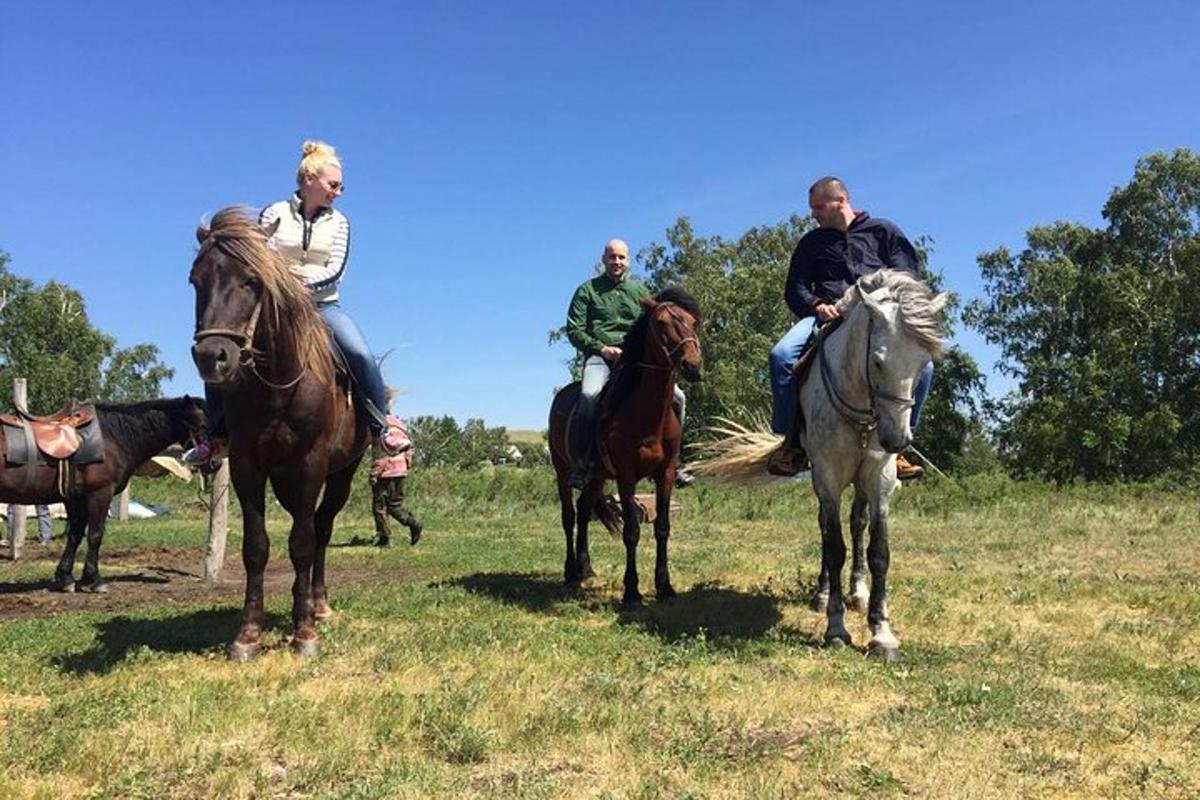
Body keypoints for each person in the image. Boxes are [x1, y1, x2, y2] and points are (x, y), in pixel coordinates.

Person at [186, 140, 403, 472]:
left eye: (341, 186)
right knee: (223, 345)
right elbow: (260, 259)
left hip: (322, 307)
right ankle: (216, 437)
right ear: (309, 179)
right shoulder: (274, 213)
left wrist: (296, 287)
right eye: (334, 185)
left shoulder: (340, 223)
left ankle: (381, 430)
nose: (338, 191)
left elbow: (335, 270)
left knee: (358, 352)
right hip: (275, 310)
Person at [767, 176, 933, 479]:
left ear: (841, 201)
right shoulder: (811, 242)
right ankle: (790, 443)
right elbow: (796, 288)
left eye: (819, 207)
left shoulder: (884, 232)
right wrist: (817, 305)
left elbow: (909, 276)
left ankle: (900, 448)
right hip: (828, 317)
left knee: (928, 368)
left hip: (879, 319)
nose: (813, 214)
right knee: (781, 356)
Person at [564, 239, 694, 490]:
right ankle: (584, 462)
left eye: (621, 258)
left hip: (634, 360)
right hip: (600, 357)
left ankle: (674, 461)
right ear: (603, 259)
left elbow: (654, 326)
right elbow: (574, 330)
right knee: (590, 395)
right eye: (612, 257)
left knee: (679, 397)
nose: (617, 262)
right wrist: (601, 348)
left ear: (628, 262)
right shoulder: (586, 291)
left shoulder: (639, 292)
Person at [369, 404, 422, 547]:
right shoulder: (400, 424)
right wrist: (406, 465)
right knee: (395, 506)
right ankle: (412, 523)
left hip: (386, 472)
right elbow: (408, 449)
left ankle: (385, 538)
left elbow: (382, 454)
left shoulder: (380, 425)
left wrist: (374, 474)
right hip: (400, 471)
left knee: (379, 507)